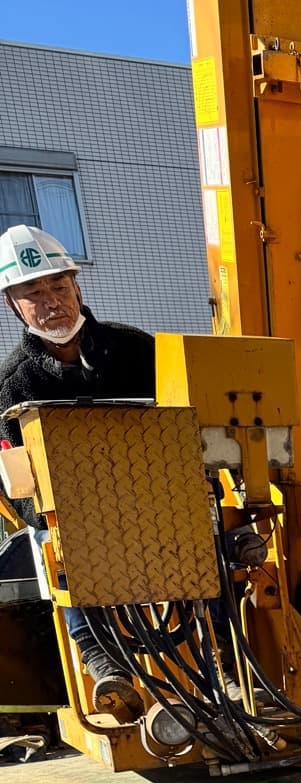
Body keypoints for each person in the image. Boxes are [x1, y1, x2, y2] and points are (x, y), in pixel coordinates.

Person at [0, 223, 154, 718]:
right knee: (56, 548)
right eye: (33, 293)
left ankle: (216, 653)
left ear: (76, 286)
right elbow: (18, 482)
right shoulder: (12, 385)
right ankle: (101, 660)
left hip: (151, 498)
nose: (51, 302)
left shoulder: (137, 351)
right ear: (13, 305)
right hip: (71, 516)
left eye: (58, 285)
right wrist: (57, 519)